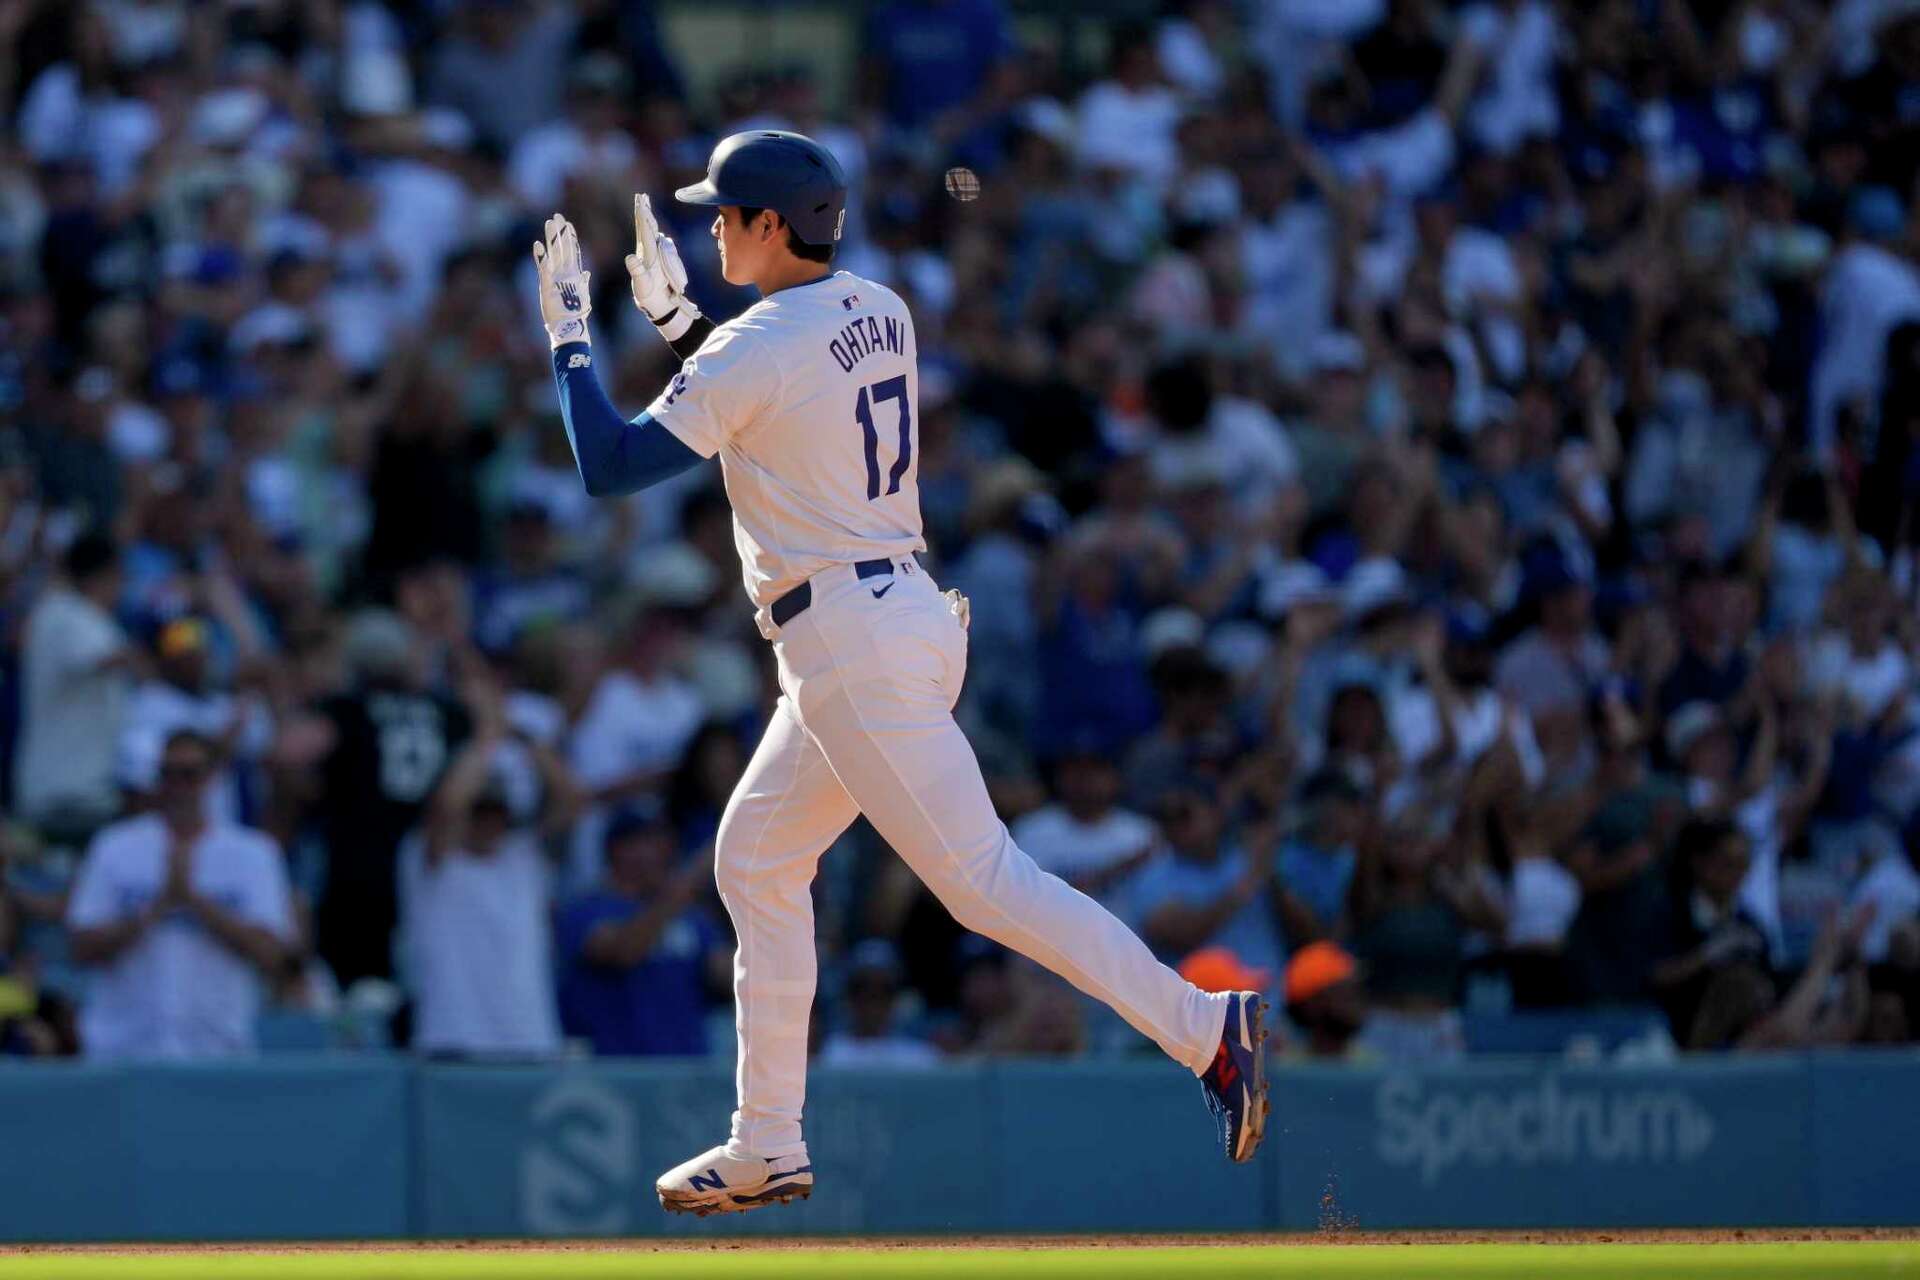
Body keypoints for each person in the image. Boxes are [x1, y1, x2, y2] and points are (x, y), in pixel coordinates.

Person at [531, 129, 1267, 1216]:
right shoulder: (881, 305)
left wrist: (571, 339)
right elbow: (775, 420)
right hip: (896, 614)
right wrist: (687, 325)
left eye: (729, 214)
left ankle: (1209, 1028)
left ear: (772, 225)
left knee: (985, 882)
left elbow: (611, 465)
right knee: (757, 858)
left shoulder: (759, 346)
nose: (715, 228)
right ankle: (766, 1139)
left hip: (848, 640)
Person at [64, 729, 293, 1059]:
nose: (177, 788)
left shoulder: (254, 854)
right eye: (167, 775)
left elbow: (271, 955)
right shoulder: (115, 846)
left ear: (212, 778)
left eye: (189, 775)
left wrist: (195, 901)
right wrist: (155, 908)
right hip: (125, 1050)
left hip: (217, 1049)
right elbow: (81, 947)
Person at [554, 802, 730, 1057]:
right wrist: (689, 882)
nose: (658, 852)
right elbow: (624, 951)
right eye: (644, 841)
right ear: (616, 849)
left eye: (661, 841)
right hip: (617, 1075)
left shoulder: (692, 917)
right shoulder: (586, 910)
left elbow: (727, 976)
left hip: (686, 1075)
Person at [14, 531, 138, 841]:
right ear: (106, 575)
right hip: (65, 794)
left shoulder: (91, 618)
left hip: (86, 793)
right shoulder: (64, 613)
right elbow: (102, 659)